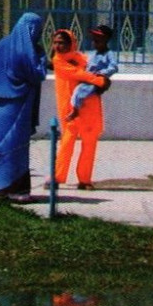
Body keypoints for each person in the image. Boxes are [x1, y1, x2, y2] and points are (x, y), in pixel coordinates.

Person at [0, 12, 46, 199]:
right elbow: (37, 73)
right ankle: (18, 190)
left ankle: (0, 188)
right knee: (17, 146)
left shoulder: (4, 45)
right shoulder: (27, 52)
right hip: (18, 109)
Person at [51, 29, 108, 190]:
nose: (58, 46)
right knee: (67, 143)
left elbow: (92, 69)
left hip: (89, 107)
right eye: (55, 42)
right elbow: (79, 75)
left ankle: (85, 179)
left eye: (62, 43)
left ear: (71, 44)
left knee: (89, 143)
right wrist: (100, 81)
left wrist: (99, 78)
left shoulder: (80, 58)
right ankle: (57, 176)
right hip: (70, 109)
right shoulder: (58, 61)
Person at [70, 23, 118, 116]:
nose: (94, 42)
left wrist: (102, 73)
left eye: (98, 40)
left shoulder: (108, 54)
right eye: (94, 40)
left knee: (81, 92)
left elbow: (114, 67)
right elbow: (87, 64)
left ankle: (76, 110)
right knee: (76, 90)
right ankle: (76, 109)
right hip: (88, 78)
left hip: (96, 80)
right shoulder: (93, 54)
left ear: (106, 40)